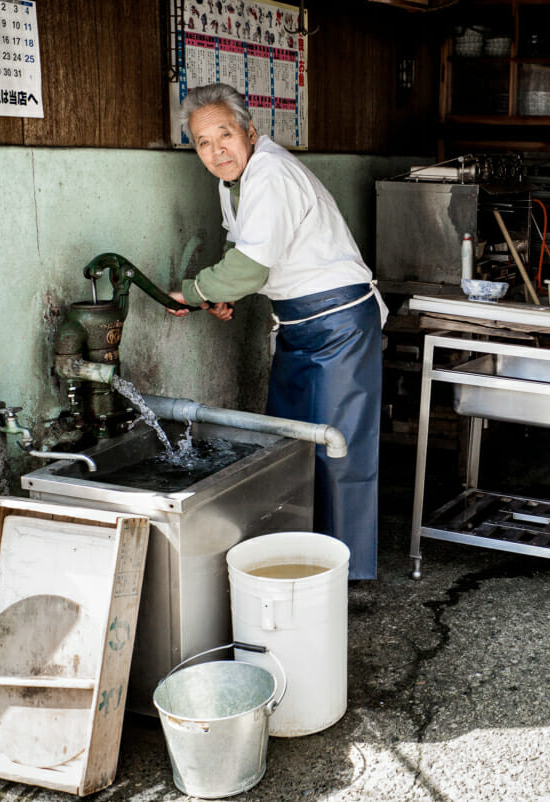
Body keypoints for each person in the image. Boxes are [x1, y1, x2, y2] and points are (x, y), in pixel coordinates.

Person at [168, 83, 387, 580]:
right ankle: (298, 559)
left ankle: (343, 572)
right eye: (202, 142)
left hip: (338, 323)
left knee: (337, 448)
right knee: (286, 444)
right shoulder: (232, 182)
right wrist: (222, 294)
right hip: (298, 323)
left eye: (224, 134)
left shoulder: (270, 173)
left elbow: (248, 267)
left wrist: (198, 291)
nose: (215, 150)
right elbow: (248, 258)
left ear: (249, 130)